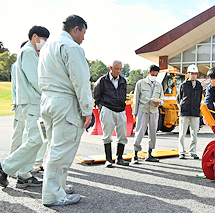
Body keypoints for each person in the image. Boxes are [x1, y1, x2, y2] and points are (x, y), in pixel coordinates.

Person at [37, 15, 93, 206]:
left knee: (54, 146)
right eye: (84, 32)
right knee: (61, 150)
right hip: (65, 102)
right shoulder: (72, 47)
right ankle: (53, 194)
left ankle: (57, 186)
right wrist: (87, 109)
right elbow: (81, 81)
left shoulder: (47, 46)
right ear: (76, 29)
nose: (84, 37)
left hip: (47, 100)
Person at [0, 26, 50, 189]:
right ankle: (5, 167)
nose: (45, 43)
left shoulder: (30, 53)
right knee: (35, 139)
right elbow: (36, 80)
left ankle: (24, 174)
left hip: (34, 103)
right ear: (35, 37)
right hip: (31, 103)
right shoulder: (28, 52)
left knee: (37, 139)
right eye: (44, 39)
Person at [93, 60, 129, 168]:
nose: (118, 71)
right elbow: (97, 96)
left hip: (121, 110)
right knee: (107, 135)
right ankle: (108, 159)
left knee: (123, 135)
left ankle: (120, 158)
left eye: (120, 69)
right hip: (107, 109)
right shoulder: (102, 80)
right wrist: (101, 108)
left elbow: (124, 94)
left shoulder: (123, 80)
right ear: (111, 68)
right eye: (116, 68)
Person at [132, 65, 164, 164]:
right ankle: (135, 154)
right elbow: (136, 99)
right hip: (143, 110)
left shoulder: (159, 85)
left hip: (154, 111)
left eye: (156, 75)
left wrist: (159, 103)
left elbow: (162, 98)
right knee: (140, 131)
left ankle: (149, 154)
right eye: (152, 74)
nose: (154, 76)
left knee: (153, 133)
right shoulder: (140, 83)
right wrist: (135, 112)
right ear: (148, 73)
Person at [176, 64, 202, 160]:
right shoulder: (183, 85)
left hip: (195, 112)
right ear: (188, 74)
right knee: (182, 133)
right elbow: (179, 98)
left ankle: (193, 151)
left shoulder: (199, 85)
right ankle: (182, 152)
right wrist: (183, 107)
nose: (194, 75)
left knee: (194, 133)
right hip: (184, 112)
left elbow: (199, 98)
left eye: (195, 74)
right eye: (192, 73)